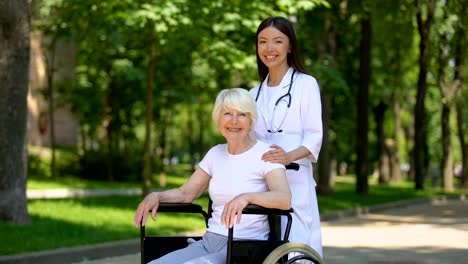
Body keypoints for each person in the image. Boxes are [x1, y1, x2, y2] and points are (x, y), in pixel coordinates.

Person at [134, 88, 291, 264]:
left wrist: (246, 197)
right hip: (209, 242)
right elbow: (186, 193)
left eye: (242, 114)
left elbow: (284, 199)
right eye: (227, 113)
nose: (234, 121)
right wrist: (157, 196)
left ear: (251, 119)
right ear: (218, 119)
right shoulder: (215, 154)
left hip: (244, 247)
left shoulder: (266, 154)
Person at [249, 16, 324, 257]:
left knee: (297, 251)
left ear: (290, 46)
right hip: (263, 184)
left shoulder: (305, 85)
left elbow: (314, 137)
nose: (269, 49)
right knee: (266, 250)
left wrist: (287, 156)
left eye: (277, 41)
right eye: (263, 42)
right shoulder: (253, 93)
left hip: (295, 181)